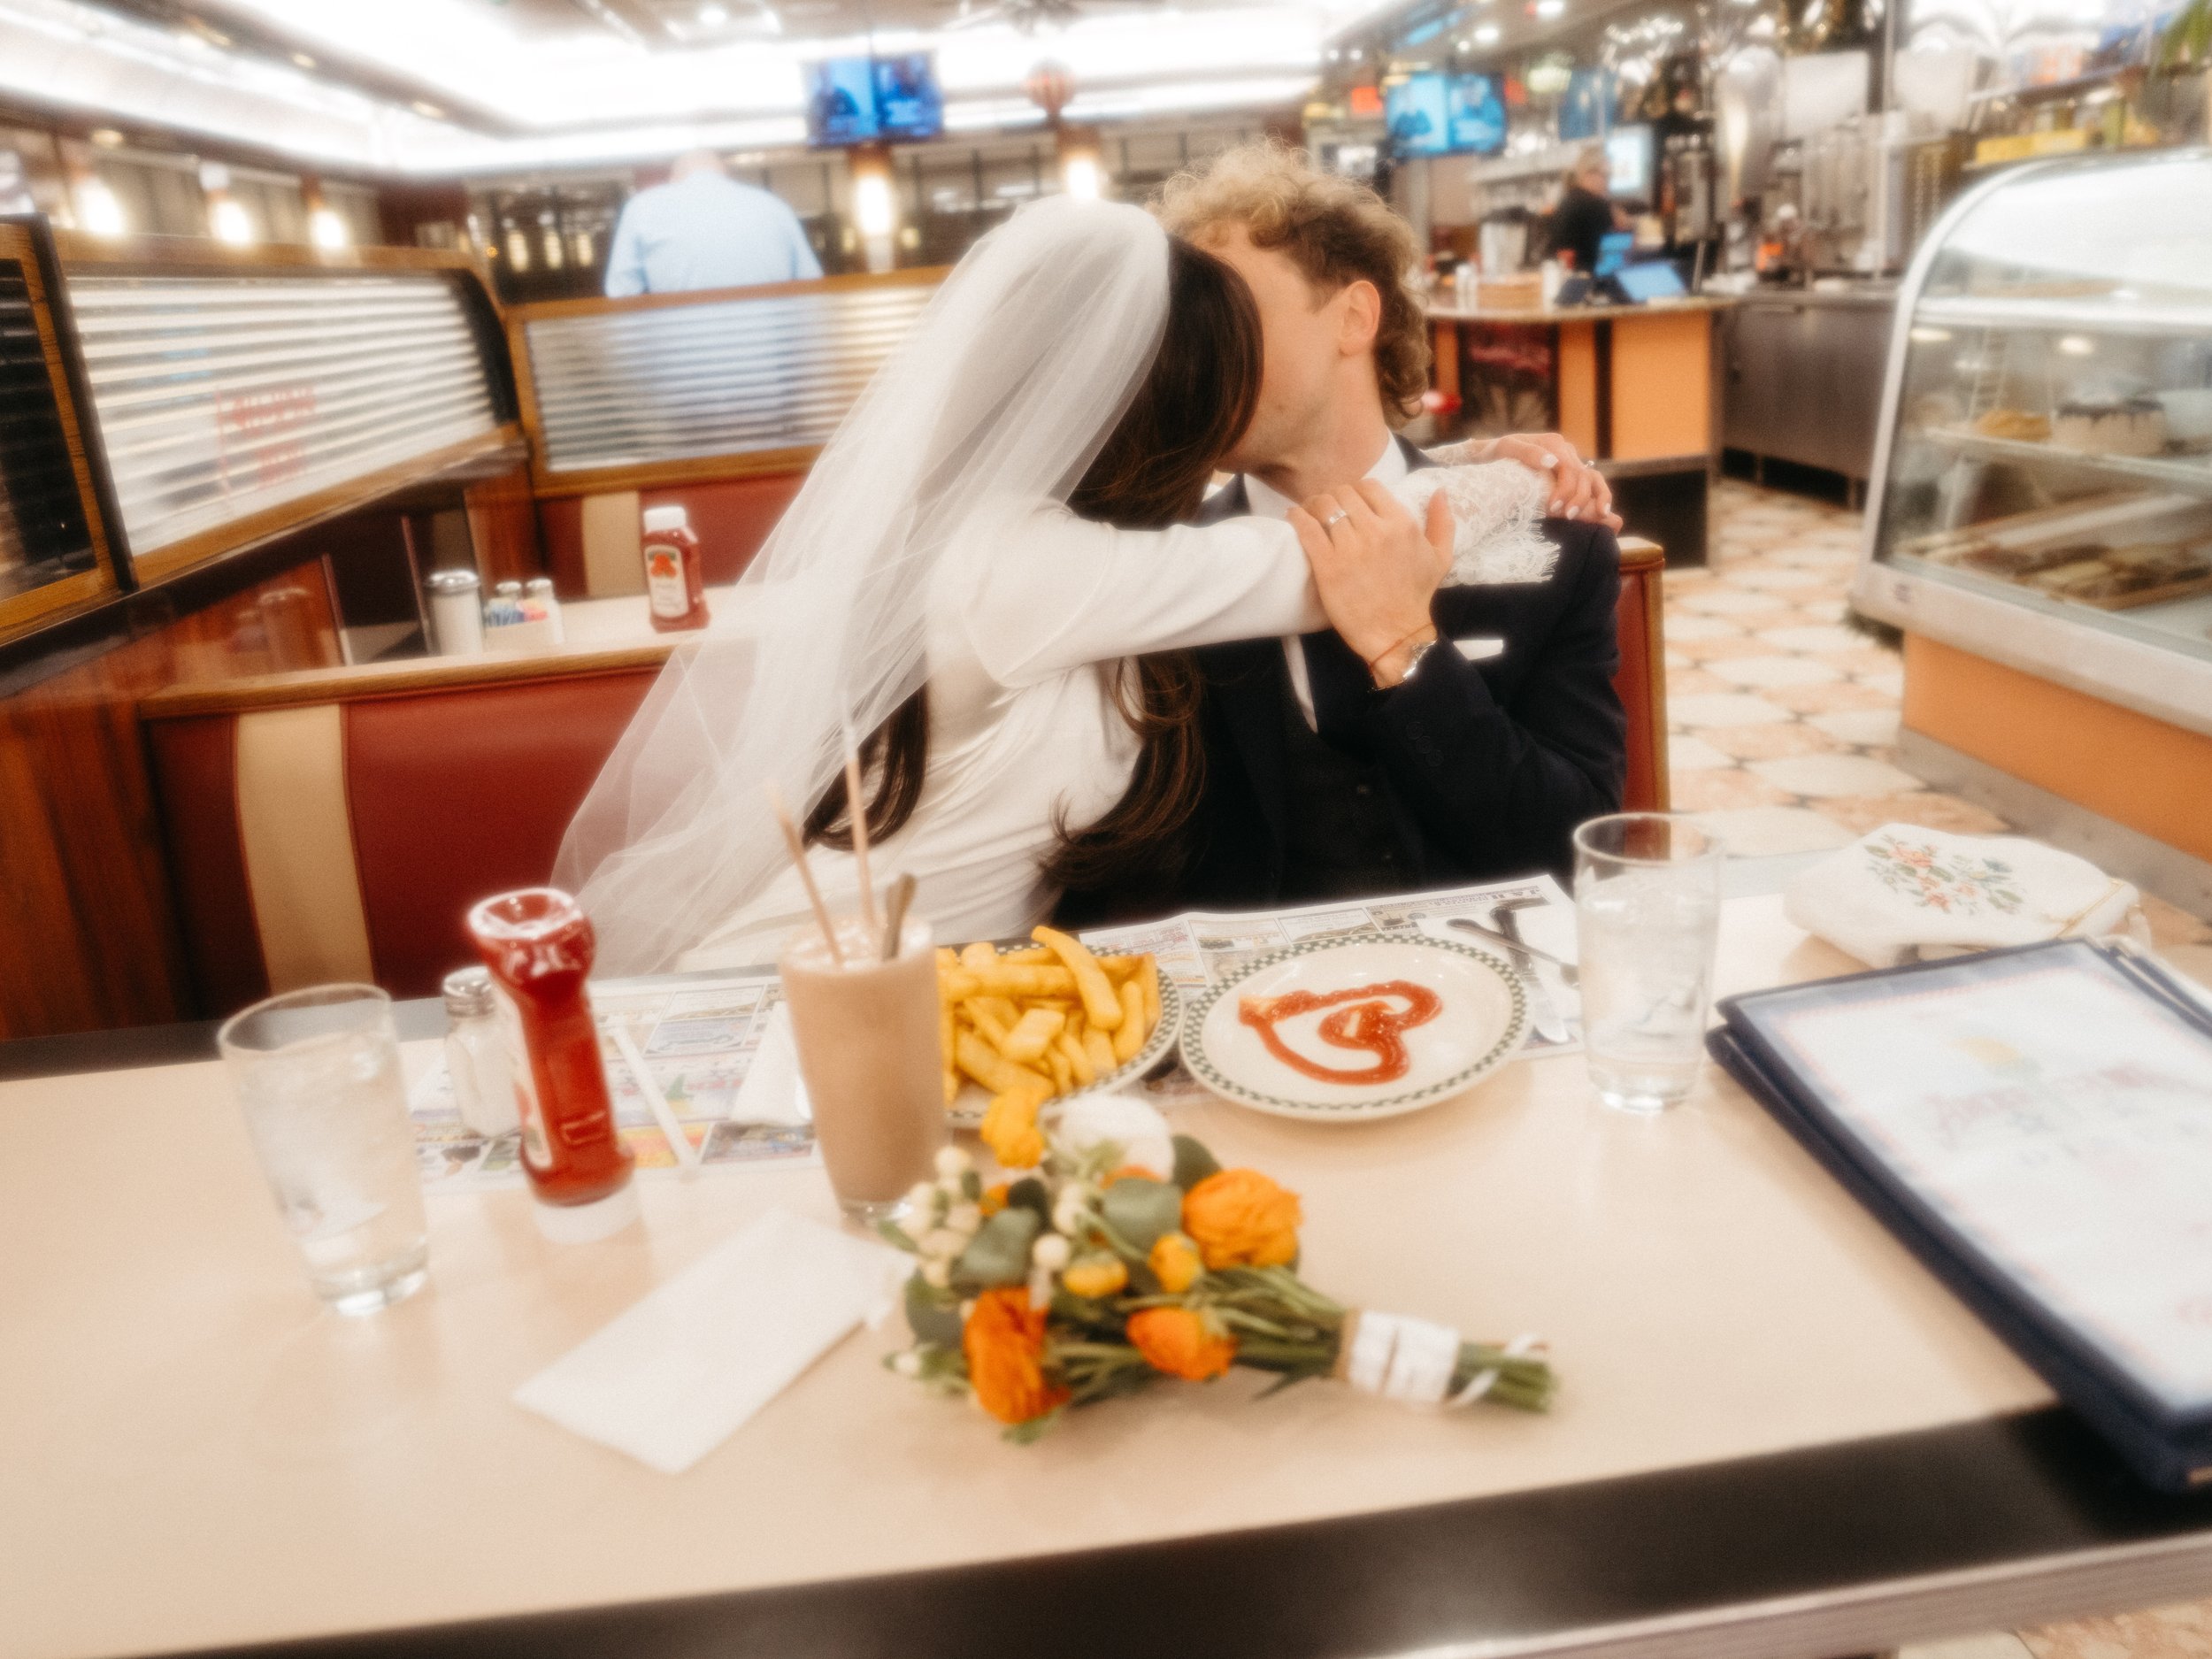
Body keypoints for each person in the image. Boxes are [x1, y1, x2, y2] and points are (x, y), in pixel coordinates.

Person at [557, 196, 1544, 973]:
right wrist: (1525, 469)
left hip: (935, 986)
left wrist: (1455, 456)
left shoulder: (1026, 539)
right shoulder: (1017, 565)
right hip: (802, 988)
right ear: (1161, 404)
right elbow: (1334, 557)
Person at [1058, 142, 1628, 925]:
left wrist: (1409, 654)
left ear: (1355, 318)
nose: (1195, 359)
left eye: (1227, 317)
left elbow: (1576, 848)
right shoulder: (1159, 572)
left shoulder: (1560, 543)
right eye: (1180, 332)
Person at [602, 150, 822, 298]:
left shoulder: (643, 208)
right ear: (727, 176)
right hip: (772, 356)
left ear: (673, 179)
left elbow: (621, 293)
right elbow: (812, 285)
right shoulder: (774, 206)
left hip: (681, 357)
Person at [1545, 146, 1626, 277]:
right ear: (1588, 173)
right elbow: (1614, 256)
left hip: (1564, 279)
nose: (1608, 183)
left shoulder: (1568, 200)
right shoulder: (1596, 206)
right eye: (1606, 176)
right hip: (1588, 282)